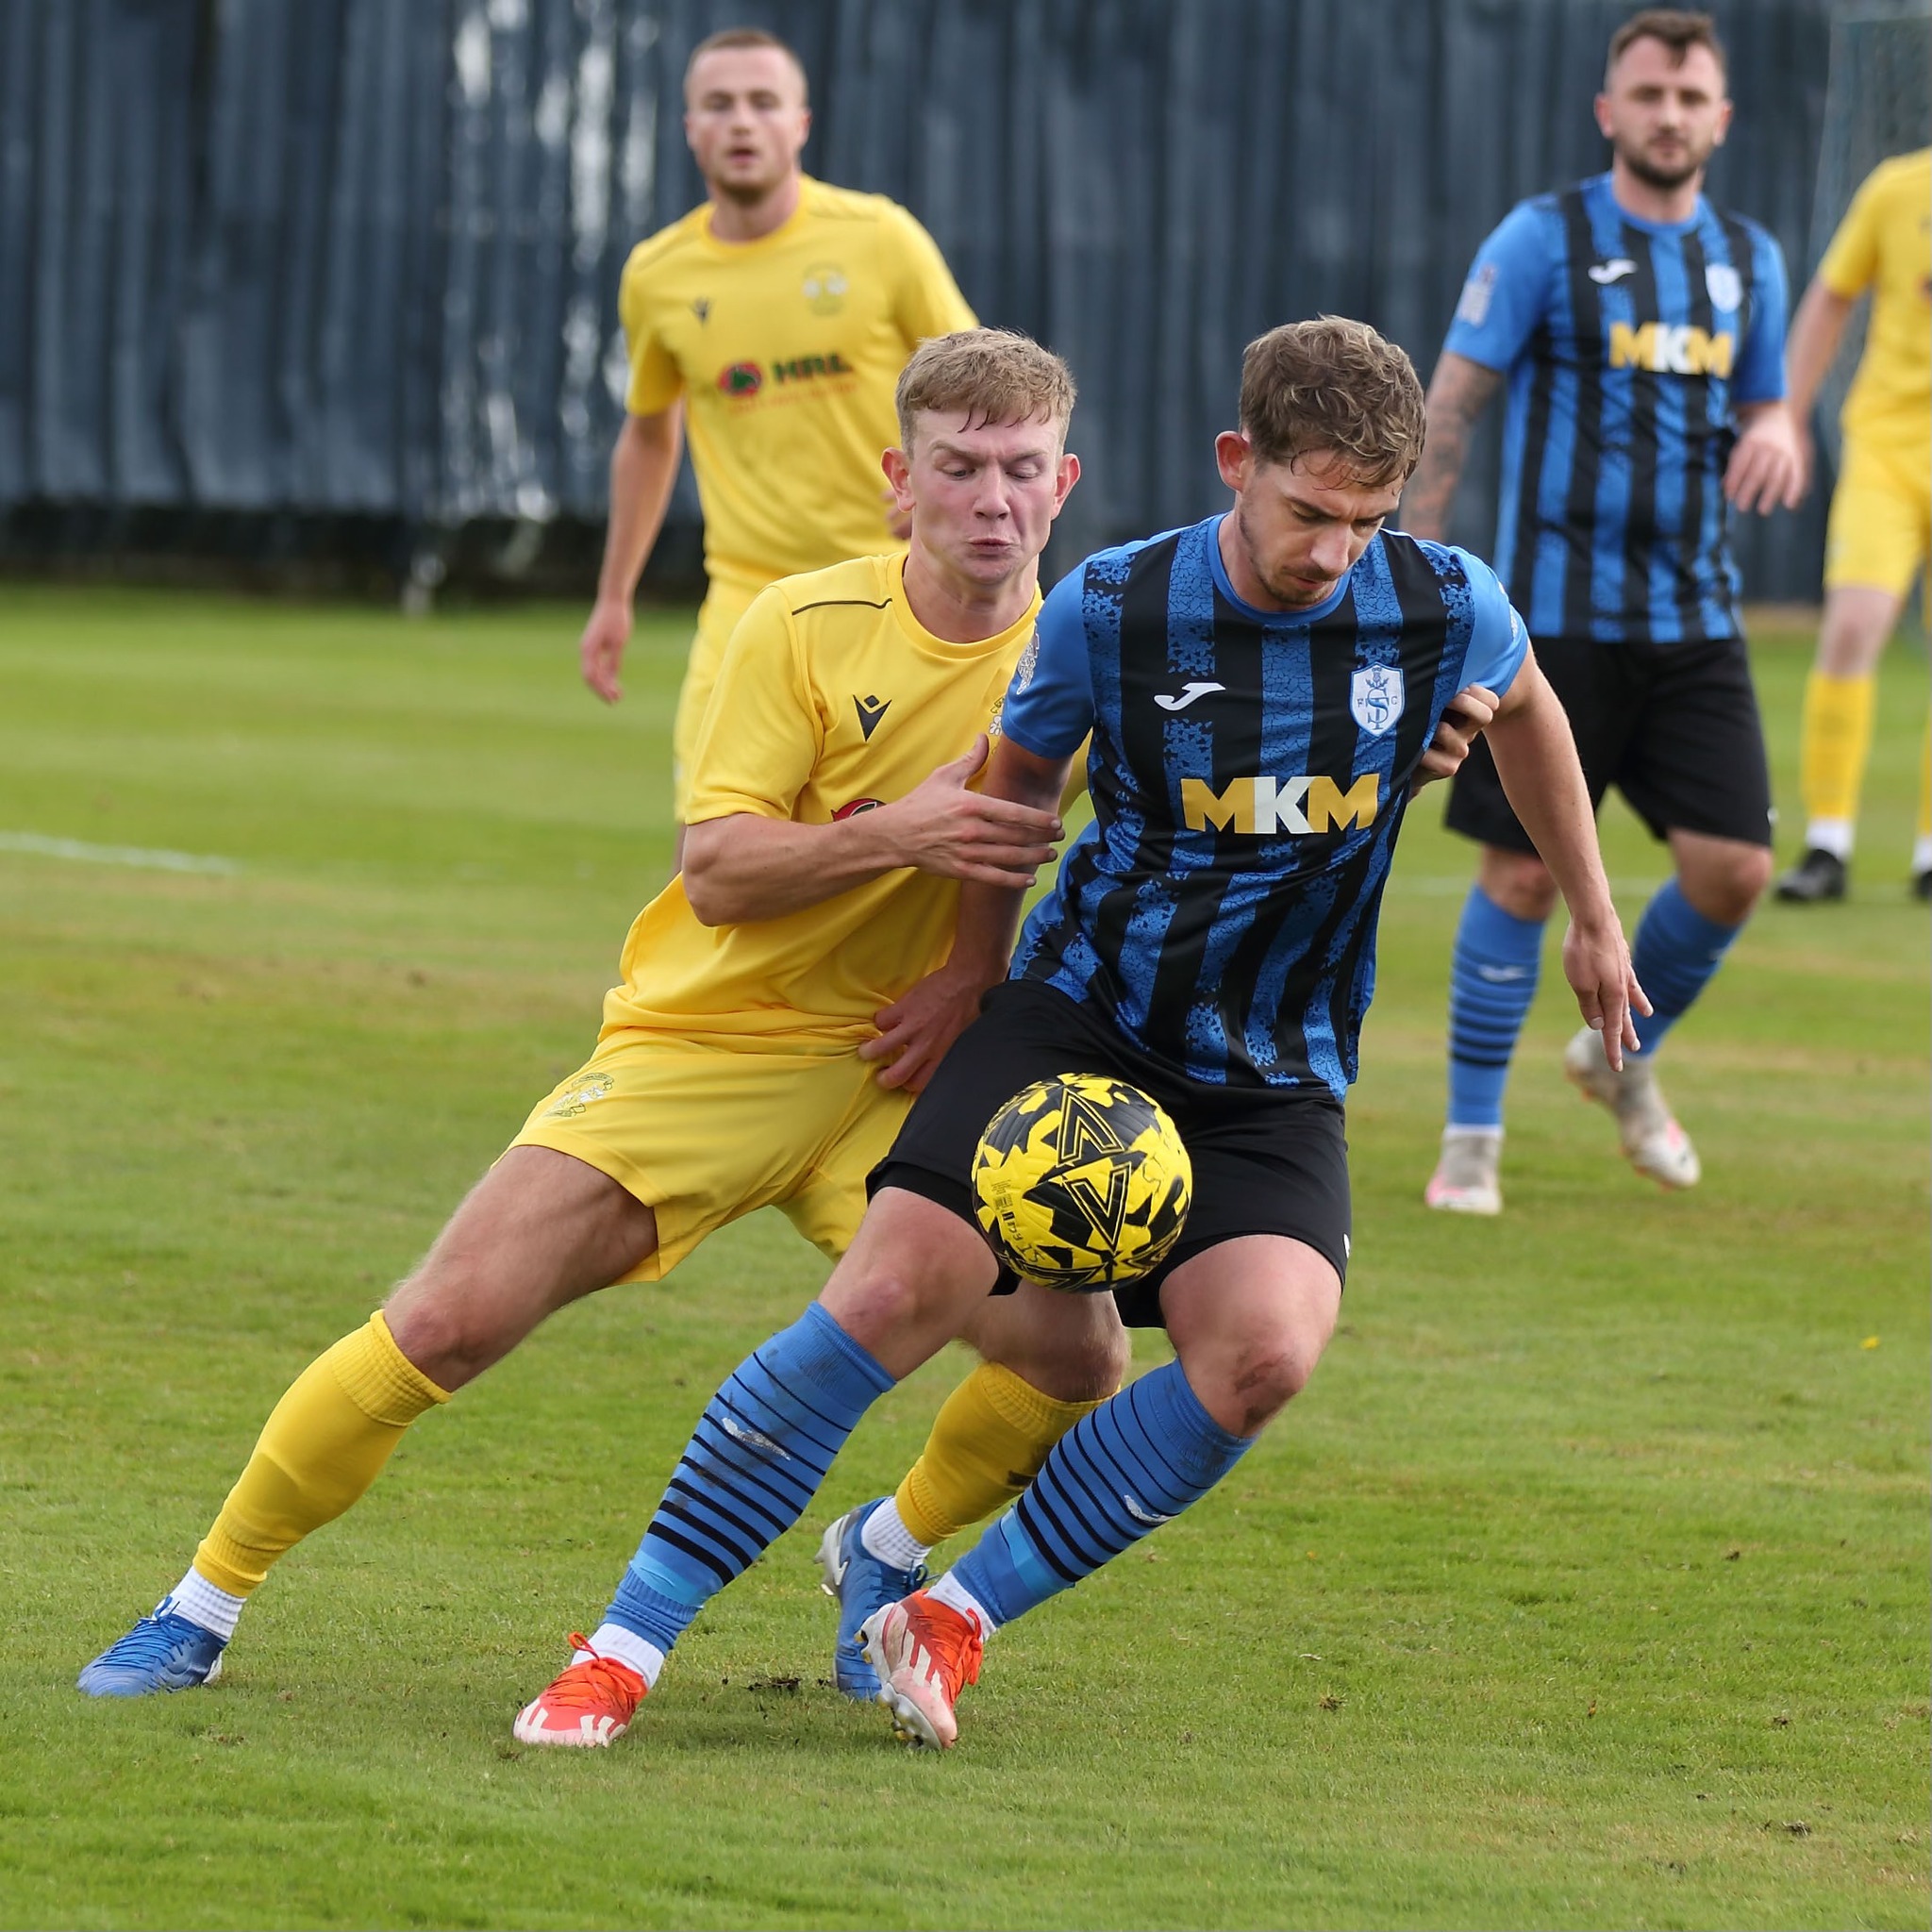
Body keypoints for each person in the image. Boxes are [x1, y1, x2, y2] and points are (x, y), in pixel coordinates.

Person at [508, 316, 1641, 1755]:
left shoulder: (1441, 601)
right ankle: (622, 1648)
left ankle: (948, 1614)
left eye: (1366, 520)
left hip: (1276, 1066)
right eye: (1307, 513)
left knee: (1269, 1354)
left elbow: (1530, 705)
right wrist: (979, 993)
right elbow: (1014, 794)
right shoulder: (1114, 608)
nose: (1333, 553)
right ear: (1238, 464)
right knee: (889, 1295)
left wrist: (1594, 918)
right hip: (1082, 1023)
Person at [77, 331, 1138, 1703]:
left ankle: (889, 1549)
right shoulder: (803, 627)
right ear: (900, 481)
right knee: (447, 1321)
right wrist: (907, 831)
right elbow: (721, 870)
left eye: (1020, 470)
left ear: (1066, 483)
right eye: (959, 467)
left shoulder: (1103, 649)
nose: (991, 499)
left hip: (903, 1070)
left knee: (1078, 1353)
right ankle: (197, 1606)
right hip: (708, 1047)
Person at [1406, 8, 1804, 1218]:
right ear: (1607, 111)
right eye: (1647, 94)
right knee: (1521, 879)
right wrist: (1416, 568)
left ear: (1719, 120)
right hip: (1555, 622)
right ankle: (1469, 1136)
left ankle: (1613, 1053)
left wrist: (1779, 423)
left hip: (1693, 617)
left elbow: (1765, 403)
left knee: (1734, 868)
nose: (1668, 115)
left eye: (1690, 98)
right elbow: (1453, 402)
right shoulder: (1541, 239)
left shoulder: (1749, 259)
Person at [576, 25, 976, 860]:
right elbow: (650, 437)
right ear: (690, 128)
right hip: (748, 602)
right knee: (713, 855)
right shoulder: (659, 275)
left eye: (763, 103)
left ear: (800, 123)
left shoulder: (879, 238)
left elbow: (981, 385)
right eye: (719, 105)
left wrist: (949, 493)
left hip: (896, 595)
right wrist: (615, 593)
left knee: (918, 852)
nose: (742, 123)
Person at [1773, 147, 1932, 904]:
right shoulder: (1898, 188)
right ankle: (1827, 843)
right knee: (1852, 627)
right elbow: (1831, 296)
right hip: (1889, 447)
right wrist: (1789, 415)